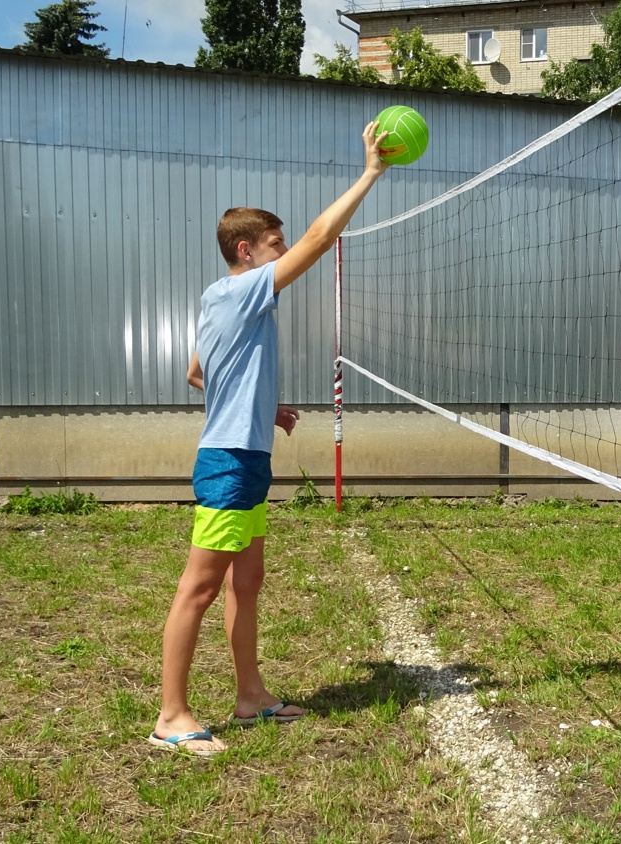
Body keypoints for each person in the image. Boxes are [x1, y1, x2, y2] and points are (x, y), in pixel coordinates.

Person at [148, 122, 391, 757]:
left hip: (245, 451)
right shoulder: (243, 290)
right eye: (274, 247)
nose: (285, 255)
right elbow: (319, 239)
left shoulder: (219, 299)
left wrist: (262, 404)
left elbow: (196, 372)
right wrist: (370, 173)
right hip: (228, 462)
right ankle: (170, 715)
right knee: (198, 589)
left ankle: (250, 696)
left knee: (245, 582)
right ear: (247, 251)